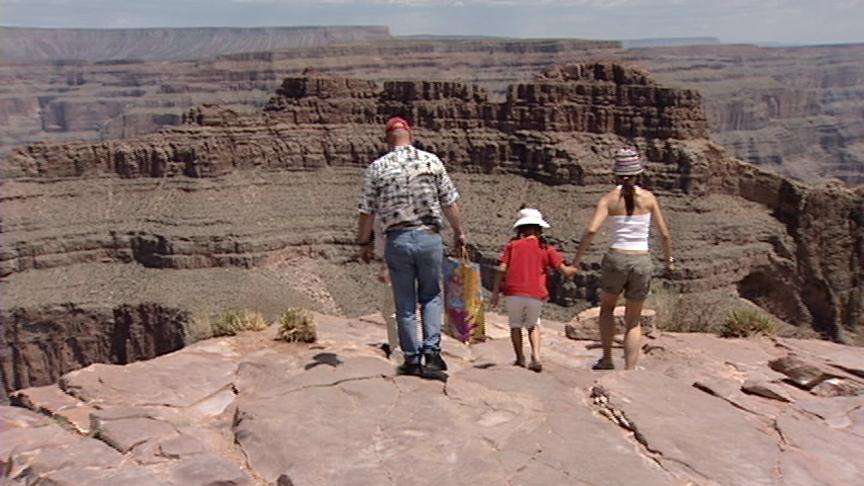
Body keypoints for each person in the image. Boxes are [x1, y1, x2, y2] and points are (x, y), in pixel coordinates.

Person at [357, 117, 467, 377]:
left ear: (387, 137)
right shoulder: (431, 161)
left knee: (404, 302)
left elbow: (367, 211)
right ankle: (432, 352)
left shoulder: (377, 168)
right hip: (429, 238)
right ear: (410, 133)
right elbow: (449, 202)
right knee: (430, 295)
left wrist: (364, 242)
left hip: (398, 240)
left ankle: (411, 358)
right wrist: (459, 232)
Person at [571, 148, 675, 371]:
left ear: (615, 175)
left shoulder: (609, 199)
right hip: (641, 260)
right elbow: (665, 234)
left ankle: (607, 359)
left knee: (607, 309)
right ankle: (630, 370)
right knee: (633, 320)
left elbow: (591, 230)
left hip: (616, 258)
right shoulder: (649, 199)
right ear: (638, 173)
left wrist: (577, 260)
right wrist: (669, 261)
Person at [491, 208, 578, 373]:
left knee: (515, 325)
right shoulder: (547, 249)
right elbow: (565, 271)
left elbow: (501, 269)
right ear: (539, 229)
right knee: (533, 325)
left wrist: (495, 293)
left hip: (513, 292)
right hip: (535, 293)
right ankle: (536, 357)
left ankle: (519, 358)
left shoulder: (512, 246)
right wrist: (574, 268)